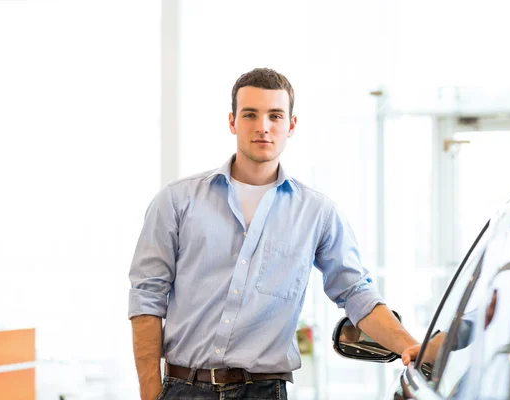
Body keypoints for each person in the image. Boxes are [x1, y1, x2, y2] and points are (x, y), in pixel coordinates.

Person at [128, 68, 420, 400]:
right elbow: (147, 297)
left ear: (291, 125)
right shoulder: (176, 201)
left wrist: (410, 345)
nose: (263, 126)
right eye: (250, 114)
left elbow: (356, 293)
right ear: (232, 121)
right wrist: (150, 392)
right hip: (183, 389)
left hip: (264, 391)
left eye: (275, 116)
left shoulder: (317, 213)